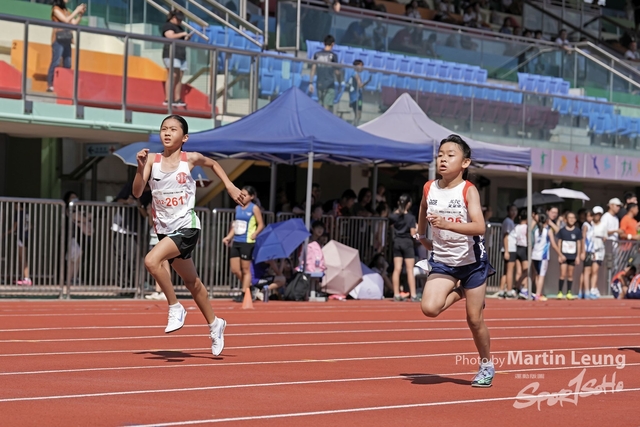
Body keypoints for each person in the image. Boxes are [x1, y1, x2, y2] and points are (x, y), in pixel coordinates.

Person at [133, 114, 245, 356]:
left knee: (151, 261)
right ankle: (215, 324)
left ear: (184, 137)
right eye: (164, 128)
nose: (167, 132)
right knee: (192, 282)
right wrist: (140, 167)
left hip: (187, 227)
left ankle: (175, 306)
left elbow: (213, 163)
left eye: (173, 129)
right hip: (165, 230)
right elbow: (138, 192)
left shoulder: (190, 159)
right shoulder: (151, 160)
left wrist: (229, 185)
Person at [416, 134, 495, 388]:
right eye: (440, 154)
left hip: (472, 262)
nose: (443, 159)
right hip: (444, 261)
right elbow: (423, 208)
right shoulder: (429, 187)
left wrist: (447, 224)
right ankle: (462, 292)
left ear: (465, 162)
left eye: (450, 155)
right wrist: (421, 235)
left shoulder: (468, 190)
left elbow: (479, 226)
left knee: (474, 320)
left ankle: (486, 365)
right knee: (429, 308)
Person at [223, 186, 264, 302]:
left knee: (246, 269)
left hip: (247, 242)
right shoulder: (238, 208)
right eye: (241, 194)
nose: (243, 197)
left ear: (252, 197)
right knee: (235, 269)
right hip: (236, 241)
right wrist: (228, 237)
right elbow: (235, 225)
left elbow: (261, 224)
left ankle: (244, 293)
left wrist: (255, 233)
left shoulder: (254, 208)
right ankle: (250, 287)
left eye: (245, 195)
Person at [47, 0, 86, 92]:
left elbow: (74, 23)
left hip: (67, 39)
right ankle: (50, 84)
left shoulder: (66, 10)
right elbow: (66, 20)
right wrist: (76, 10)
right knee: (56, 61)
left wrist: (80, 14)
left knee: (68, 63)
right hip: (58, 39)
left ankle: (64, 84)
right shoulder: (55, 9)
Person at [389, 194, 418, 302]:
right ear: (409, 204)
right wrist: (417, 229)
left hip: (397, 242)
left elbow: (391, 226)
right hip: (407, 242)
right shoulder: (411, 217)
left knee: (397, 269)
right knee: (410, 269)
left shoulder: (393, 216)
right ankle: (413, 295)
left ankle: (396, 294)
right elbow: (412, 233)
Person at [161, 10, 191, 107]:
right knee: (173, 75)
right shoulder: (168, 26)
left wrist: (186, 38)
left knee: (179, 76)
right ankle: (168, 98)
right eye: (178, 19)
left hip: (180, 54)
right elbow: (170, 36)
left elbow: (178, 38)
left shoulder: (180, 28)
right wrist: (182, 34)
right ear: (173, 17)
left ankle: (177, 98)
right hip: (171, 54)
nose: (179, 21)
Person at [530, 212, 558, 301]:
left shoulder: (536, 230)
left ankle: (538, 292)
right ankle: (538, 294)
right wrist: (560, 254)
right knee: (541, 275)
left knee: (537, 274)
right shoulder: (548, 230)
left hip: (534, 254)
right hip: (543, 256)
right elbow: (553, 244)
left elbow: (529, 230)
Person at [309, 35, 340, 113]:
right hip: (329, 84)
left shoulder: (317, 54)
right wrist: (340, 82)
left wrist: (311, 83)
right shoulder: (333, 56)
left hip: (319, 83)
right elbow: (337, 72)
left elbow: (313, 69)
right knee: (327, 108)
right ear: (333, 44)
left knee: (320, 107)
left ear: (324, 43)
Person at [556, 211, 582, 300]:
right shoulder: (562, 231)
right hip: (564, 255)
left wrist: (578, 256)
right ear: (566, 219)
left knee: (570, 274)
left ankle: (569, 292)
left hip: (572, 256)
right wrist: (560, 255)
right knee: (562, 274)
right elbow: (559, 243)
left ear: (575, 219)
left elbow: (579, 243)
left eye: (573, 218)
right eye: (569, 218)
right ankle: (560, 292)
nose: (571, 220)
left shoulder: (577, 231)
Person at [497, 205, 518, 299]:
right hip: (510, 249)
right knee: (510, 270)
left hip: (510, 248)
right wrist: (506, 251)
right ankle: (509, 291)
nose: (514, 212)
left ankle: (501, 290)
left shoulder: (510, 221)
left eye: (515, 210)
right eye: (512, 210)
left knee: (506, 271)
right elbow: (505, 236)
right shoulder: (508, 221)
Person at [348, 60, 370, 127]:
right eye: (361, 66)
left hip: (358, 98)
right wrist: (367, 82)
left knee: (358, 115)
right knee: (357, 115)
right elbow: (360, 85)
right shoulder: (355, 74)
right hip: (356, 98)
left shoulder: (354, 74)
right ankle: (353, 127)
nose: (362, 68)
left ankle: (355, 126)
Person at [514, 209, 529, 297]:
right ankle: (520, 286)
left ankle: (518, 288)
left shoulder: (516, 227)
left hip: (517, 247)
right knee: (526, 271)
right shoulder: (526, 227)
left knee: (518, 271)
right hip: (524, 248)